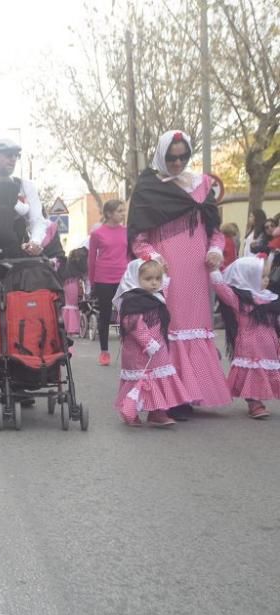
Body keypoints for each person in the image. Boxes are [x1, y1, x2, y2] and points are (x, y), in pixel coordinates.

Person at [128, 130, 231, 419]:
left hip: (197, 272)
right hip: (165, 274)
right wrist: (154, 259)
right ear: (162, 155)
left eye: (183, 157)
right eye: (171, 158)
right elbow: (138, 240)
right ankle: (170, 397)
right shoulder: (148, 188)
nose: (177, 163)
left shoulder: (202, 185)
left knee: (193, 328)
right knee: (169, 328)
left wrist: (216, 251)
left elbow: (215, 232)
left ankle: (192, 392)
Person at [113, 258, 190, 427]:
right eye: (148, 279)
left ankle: (157, 412)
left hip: (159, 349)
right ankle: (130, 410)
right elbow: (134, 325)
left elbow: (165, 287)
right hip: (138, 351)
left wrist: (165, 273)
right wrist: (147, 342)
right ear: (135, 278)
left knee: (158, 379)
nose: (154, 283)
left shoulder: (157, 297)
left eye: (157, 279)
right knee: (138, 381)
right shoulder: (132, 301)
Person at [211, 256, 280, 419]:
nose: (267, 280)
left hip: (270, 345)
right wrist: (214, 270)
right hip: (250, 346)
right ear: (248, 277)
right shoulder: (240, 300)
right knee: (253, 374)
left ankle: (258, 399)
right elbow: (221, 289)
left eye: (267, 276)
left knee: (267, 373)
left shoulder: (270, 298)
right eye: (262, 276)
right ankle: (254, 403)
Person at [88, 199, 128, 366]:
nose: (123, 214)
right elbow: (91, 259)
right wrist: (92, 282)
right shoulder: (97, 233)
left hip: (123, 278)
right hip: (103, 278)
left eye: (123, 210)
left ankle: (128, 350)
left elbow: (131, 254)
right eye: (119, 211)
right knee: (105, 315)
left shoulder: (127, 231)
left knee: (127, 315)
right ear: (109, 214)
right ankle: (104, 352)